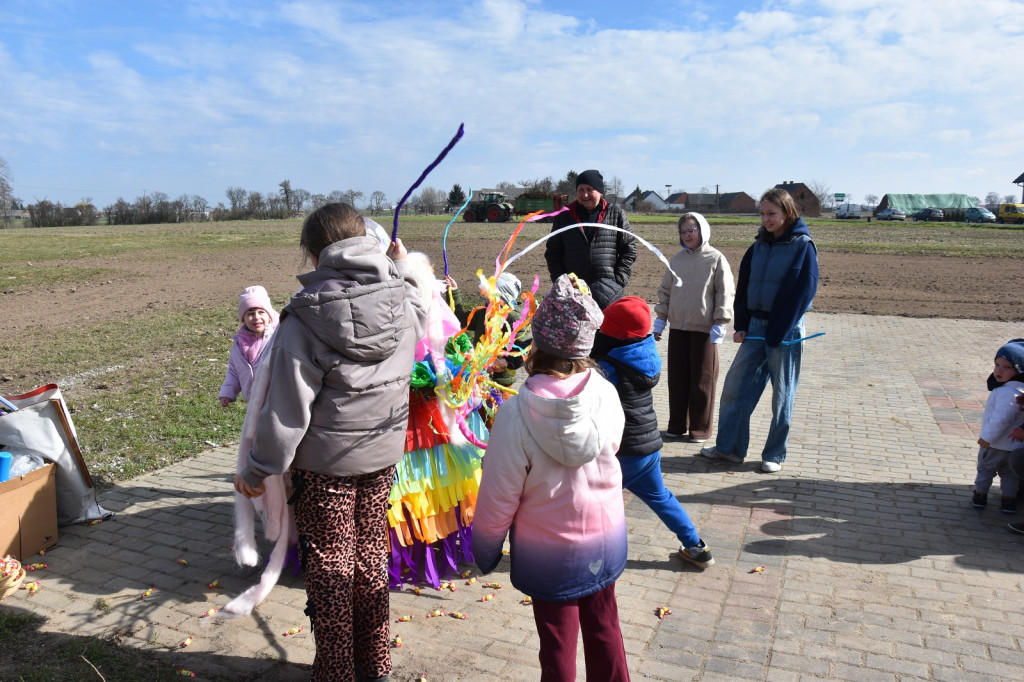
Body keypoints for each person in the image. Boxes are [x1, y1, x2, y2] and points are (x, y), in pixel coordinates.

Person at [234, 202, 429, 682]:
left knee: (330, 566)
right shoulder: (402, 301)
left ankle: (337, 669)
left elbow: (286, 414)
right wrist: (402, 265)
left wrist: (257, 469)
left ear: (313, 251)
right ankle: (375, 662)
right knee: (367, 557)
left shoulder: (303, 323)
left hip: (325, 468)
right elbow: (425, 312)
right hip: (382, 456)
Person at [472, 274, 630, 682]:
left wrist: (485, 549)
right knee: (605, 626)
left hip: (549, 550)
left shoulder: (516, 414)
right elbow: (612, 447)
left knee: (557, 640)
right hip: (603, 536)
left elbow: (498, 494)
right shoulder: (605, 393)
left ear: (537, 345)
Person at [387, 252, 489, 588]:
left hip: (433, 422)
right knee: (418, 488)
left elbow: (460, 362)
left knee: (430, 487)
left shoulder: (439, 318)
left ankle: (427, 550)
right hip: (412, 422)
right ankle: (417, 552)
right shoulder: (397, 314)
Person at [700, 188, 819, 473]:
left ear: (787, 213)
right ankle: (729, 449)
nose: (765, 219)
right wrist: (741, 325)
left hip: (786, 331)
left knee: (782, 395)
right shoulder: (757, 246)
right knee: (735, 389)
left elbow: (804, 292)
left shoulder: (802, 245)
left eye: (771, 214)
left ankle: (774, 455)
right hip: (754, 327)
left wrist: (779, 330)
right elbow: (744, 288)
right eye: (762, 214)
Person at [593, 295, 715, 569]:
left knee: (593, 502)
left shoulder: (609, 367)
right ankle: (696, 546)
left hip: (623, 452)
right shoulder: (642, 352)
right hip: (648, 446)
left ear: (611, 332)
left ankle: (588, 553)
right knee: (660, 497)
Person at [653, 212, 735, 444]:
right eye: (683, 232)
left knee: (702, 380)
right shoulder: (676, 260)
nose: (687, 235)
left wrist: (721, 322)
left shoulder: (716, 259)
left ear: (703, 230)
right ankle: (678, 425)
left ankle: (700, 428)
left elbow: (725, 292)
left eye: (692, 230)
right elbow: (665, 291)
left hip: (704, 330)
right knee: (677, 379)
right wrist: (661, 320)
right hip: (678, 328)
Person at [544, 169, 637, 309]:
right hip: (573, 293)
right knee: (575, 330)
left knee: (606, 330)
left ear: (600, 191)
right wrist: (562, 282)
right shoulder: (564, 216)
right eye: (580, 190)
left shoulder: (616, 214)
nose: (585, 194)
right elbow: (552, 252)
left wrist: (618, 281)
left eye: (590, 189)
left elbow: (629, 249)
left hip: (608, 293)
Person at [973, 339, 1024, 514]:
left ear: (1019, 370)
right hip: (1015, 446)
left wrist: (987, 438)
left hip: (995, 444)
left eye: (1007, 367)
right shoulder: (1020, 391)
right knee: (1010, 475)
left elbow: (1001, 419)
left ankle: (980, 495)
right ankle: (1008, 501)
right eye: (997, 365)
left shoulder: (1006, 393)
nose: (999, 370)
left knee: (985, 470)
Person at [218, 285, 279, 406]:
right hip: (253, 400)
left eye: (261, 312)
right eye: (250, 314)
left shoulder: (277, 338)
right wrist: (227, 392)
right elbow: (234, 371)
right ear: (243, 319)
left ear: (270, 316)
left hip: (277, 399)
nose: (256, 317)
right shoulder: (240, 344)